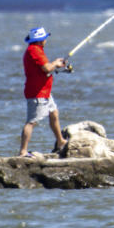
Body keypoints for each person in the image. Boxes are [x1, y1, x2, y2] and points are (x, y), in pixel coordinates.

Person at [18, 26, 69, 157]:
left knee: (54, 113)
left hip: (44, 91)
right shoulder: (34, 50)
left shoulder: (36, 49)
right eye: (45, 38)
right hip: (37, 92)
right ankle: (23, 151)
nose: (46, 40)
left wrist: (56, 65)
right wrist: (56, 63)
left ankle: (60, 141)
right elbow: (47, 68)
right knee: (31, 122)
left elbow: (44, 69)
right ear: (41, 40)